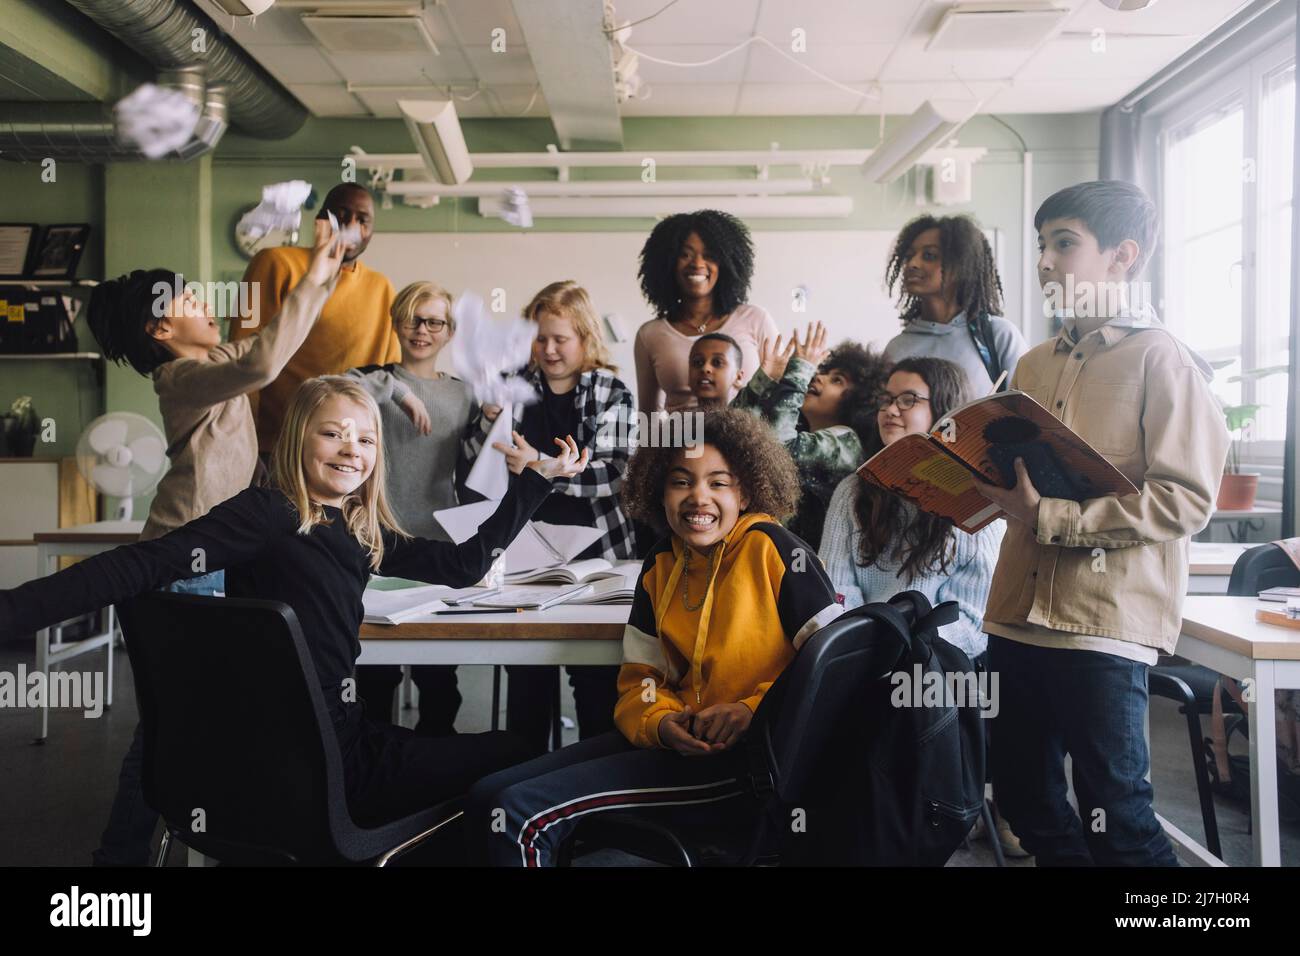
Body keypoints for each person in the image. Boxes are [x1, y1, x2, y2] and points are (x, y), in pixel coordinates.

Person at [0, 376, 592, 838]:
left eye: (365, 439)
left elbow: (463, 566)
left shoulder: (355, 527)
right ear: (297, 439)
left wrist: (535, 482)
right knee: (521, 755)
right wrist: (11, 612)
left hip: (322, 747)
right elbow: (143, 564)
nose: (351, 451)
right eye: (332, 434)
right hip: (325, 764)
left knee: (508, 754)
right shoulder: (272, 512)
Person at [974, 180, 1230, 866]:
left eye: (1064, 243)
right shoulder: (1030, 363)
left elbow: (1183, 499)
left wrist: (1049, 516)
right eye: (1040, 245)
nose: (1045, 262)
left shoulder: (1162, 359)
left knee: (1115, 817)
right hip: (1015, 613)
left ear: (1123, 257)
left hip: (1101, 624)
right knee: (1023, 799)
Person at [465, 408, 843, 866]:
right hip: (678, 742)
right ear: (658, 491)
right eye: (681, 481)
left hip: (751, 764)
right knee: (487, 794)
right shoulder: (662, 562)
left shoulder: (776, 551)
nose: (698, 498)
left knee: (518, 814)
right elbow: (641, 678)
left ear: (745, 492)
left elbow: (835, 667)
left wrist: (749, 711)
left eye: (718, 483)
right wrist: (661, 723)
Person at [82, 218, 345, 866]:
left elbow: (269, 348)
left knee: (216, 714)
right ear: (160, 330)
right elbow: (265, 360)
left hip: (219, 563)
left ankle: (221, 832)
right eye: (187, 300)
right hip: (182, 566)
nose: (204, 305)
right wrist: (312, 275)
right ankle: (120, 857)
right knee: (171, 725)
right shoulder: (180, 379)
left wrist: (322, 274)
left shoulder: (217, 365)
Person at [464, 281, 636, 756]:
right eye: (540, 337)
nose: (549, 349)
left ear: (585, 337)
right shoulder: (513, 386)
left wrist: (542, 469)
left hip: (596, 557)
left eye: (561, 338)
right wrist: (486, 420)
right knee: (527, 673)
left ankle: (588, 789)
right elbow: (471, 466)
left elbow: (618, 473)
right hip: (524, 551)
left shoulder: (611, 389)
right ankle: (526, 784)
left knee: (594, 680)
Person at [347, 280, 475, 737]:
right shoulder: (370, 382)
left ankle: (431, 768)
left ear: (448, 331)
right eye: (412, 319)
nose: (422, 330)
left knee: (439, 680)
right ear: (397, 323)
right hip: (376, 538)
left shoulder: (464, 395)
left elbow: (482, 465)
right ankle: (378, 770)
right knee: (375, 677)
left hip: (438, 542)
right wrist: (400, 392)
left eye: (434, 321)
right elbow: (330, 388)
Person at [818, 357, 1000, 661]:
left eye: (908, 400)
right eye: (886, 399)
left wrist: (905, 648)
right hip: (857, 661)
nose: (890, 410)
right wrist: (865, 649)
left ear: (945, 410)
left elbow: (973, 621)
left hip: (934, 673)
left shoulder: (977, 501)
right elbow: (836, 593)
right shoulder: (852, 490)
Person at [233, 183, 400, 454]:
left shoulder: (381, 288)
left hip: (349, 452)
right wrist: (247, 446)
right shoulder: (275, 263)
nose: (351, 225)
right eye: (342, 215)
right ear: (322, 219)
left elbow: (389, 376)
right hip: (277, 446)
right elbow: (242, 358)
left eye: (363, 220)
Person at [732, 321, 889, 550]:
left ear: (859, 399)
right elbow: (732, 436)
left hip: (805, 566)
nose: (818, 378)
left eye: (837, 380)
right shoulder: (801, 432)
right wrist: (765, 379)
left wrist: (800, 371)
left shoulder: (847, 442)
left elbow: (776, 451)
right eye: (822, 372)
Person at [633, 209, 778, 414]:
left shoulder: (755, 319)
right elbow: (649, 417)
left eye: (709, 256)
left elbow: (780, 399)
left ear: (727, 263)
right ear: (668, 264)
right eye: (685, 255)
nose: (697, 264)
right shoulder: (650, 334)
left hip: (746, 440)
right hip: (680, 443)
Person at [882, 213, 1026, 393]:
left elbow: (1026, 412)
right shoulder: (896, 348)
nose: (912, 263)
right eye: (909, 255)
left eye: (929, 255)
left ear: (960, 266)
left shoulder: (999, 336)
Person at [687, 333, 745, 409]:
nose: (705, 368)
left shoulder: (751, 420)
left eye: (717, 362)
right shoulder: (679, 420)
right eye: (698, 362)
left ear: (738, 377)